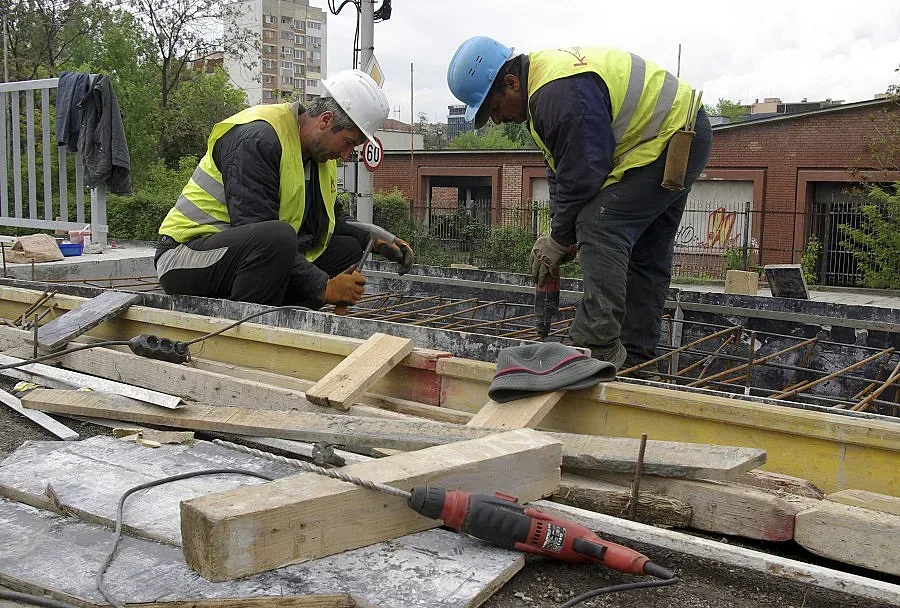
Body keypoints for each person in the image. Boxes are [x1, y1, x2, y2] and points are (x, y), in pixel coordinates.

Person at [447, 38, 712, 369]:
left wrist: (561, 236)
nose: (497, 120)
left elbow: (586, 173)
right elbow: (563, 172)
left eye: (494, 109)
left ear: (511, 82)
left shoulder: (557, 94)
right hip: (681, 131)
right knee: (645, 253)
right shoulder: (545, 93)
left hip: (671, 136)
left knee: (600, 223)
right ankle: (637, 360)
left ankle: (597, 345)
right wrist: (562, 233)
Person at [155, 69, 414, 309]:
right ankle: (247, 330)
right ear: (325, 120)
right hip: (185, 257)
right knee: (277, 238)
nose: (346, 155)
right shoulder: (258, 137)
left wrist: (375, 238)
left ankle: (284, 316)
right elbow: (257, 227)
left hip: (240, 259)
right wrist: (322, 287)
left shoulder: (319, 158)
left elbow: (331, 220)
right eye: (347, 142)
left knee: (345, 248)